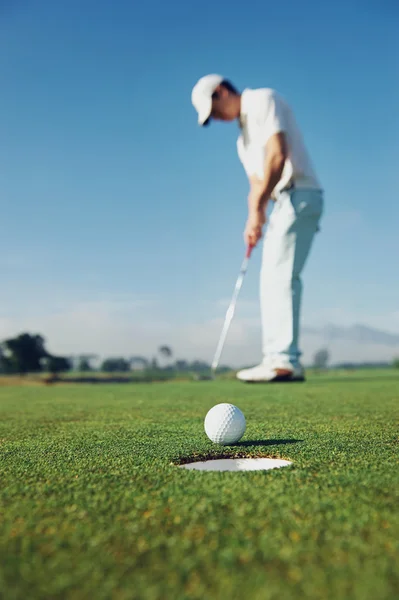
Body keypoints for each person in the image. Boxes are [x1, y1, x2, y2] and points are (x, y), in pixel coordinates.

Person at [191, 74, 324, 382]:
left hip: (300, 193)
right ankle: (278, 358)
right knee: (271, 277)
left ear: (221, 91)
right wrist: (254, 217)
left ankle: (283, 361)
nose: (219, 120)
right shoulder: (242, 141)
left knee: (280, 275)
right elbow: (255, 184)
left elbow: (278, 156)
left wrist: (261, 205)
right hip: (282, 201)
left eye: (215, 111)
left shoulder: (263, 99)